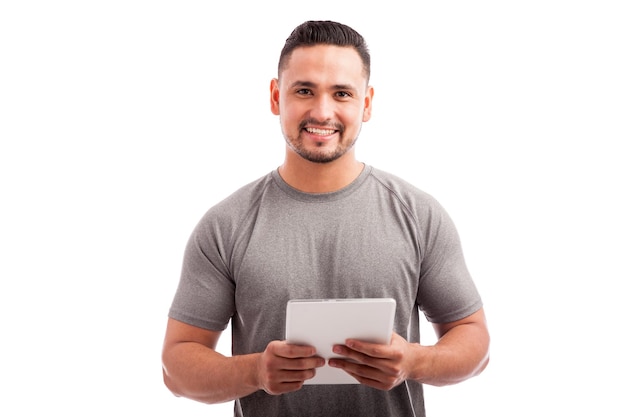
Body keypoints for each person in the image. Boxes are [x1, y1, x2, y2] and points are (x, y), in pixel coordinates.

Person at [161, 20, 490, 417]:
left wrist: (414, 361)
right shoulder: (225, 225)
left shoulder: (418, 215)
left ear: (366, 103)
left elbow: (475, 342)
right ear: (275, 96)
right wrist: (255, 371)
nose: (322, 111)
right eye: (304, 90)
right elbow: (175, 367)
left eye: (342, 93)